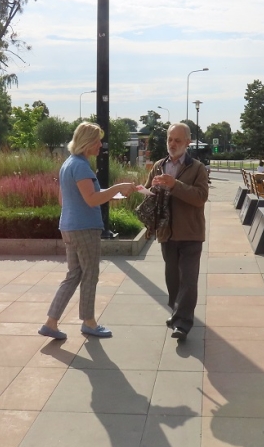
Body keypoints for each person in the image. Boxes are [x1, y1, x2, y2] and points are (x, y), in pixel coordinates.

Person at [40, 122, 135, 340]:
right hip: (84, 229)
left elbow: (67, 198)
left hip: (69, 227)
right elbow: (92, 199)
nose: (101, 145)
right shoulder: (81, 166)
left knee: (74, 275)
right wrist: (117, 188)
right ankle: (89, 322)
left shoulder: (68, 164)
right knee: (90, 274)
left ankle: (51, 323)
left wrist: (111, 194)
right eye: (98, 141)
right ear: (87, 142)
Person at [145, 123, 209, 342]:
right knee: (172, 279)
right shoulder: (159, 165)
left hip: (191, 234)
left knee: (188, 280)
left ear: (187, 142)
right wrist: (149, 190)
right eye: (170, 139)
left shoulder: (197, 168)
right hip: (167, 233)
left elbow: (200, 197)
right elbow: (149, 191)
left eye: (177, 140)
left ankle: (182, 323)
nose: (172, 144)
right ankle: (176, 311)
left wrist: (175, 185)